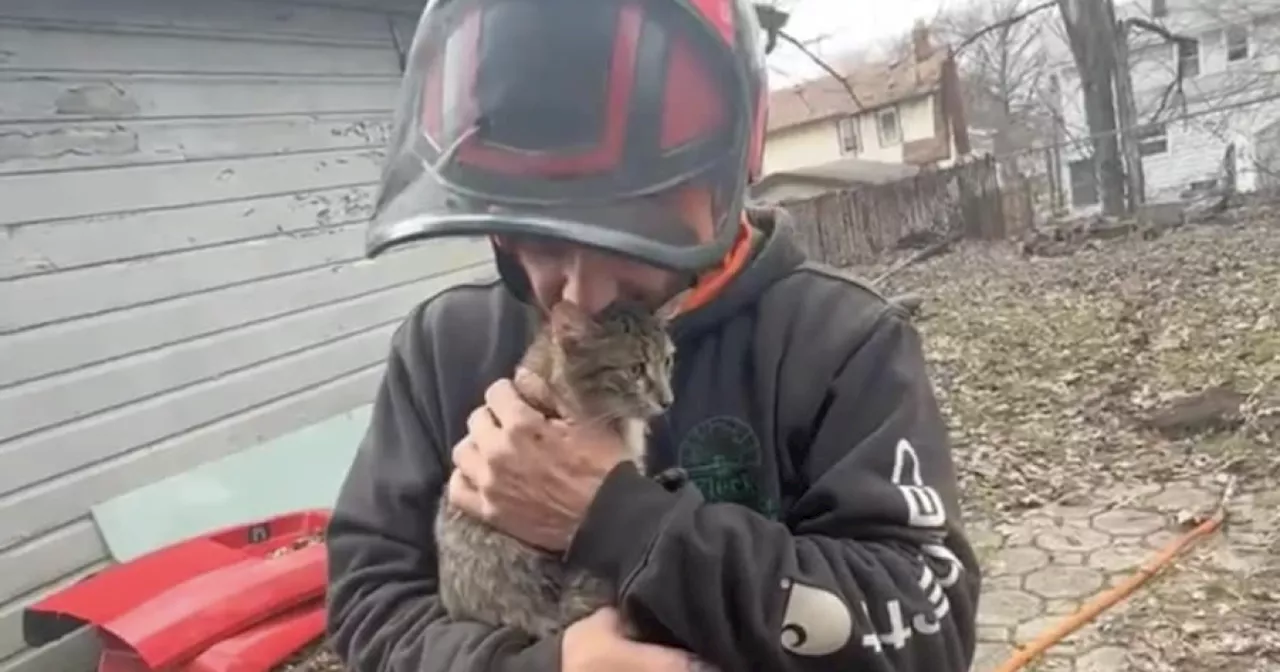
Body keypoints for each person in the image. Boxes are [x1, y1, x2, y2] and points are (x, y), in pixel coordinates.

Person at [324, 0, 982, 670]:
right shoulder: (444, 347)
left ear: (721, 191)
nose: (582, 293)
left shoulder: (845, 345)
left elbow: (926, 637)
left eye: (633, 231)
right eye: (536, 240)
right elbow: (369, 608)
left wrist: (623, 520)